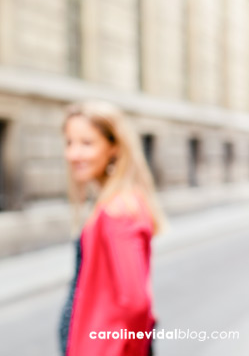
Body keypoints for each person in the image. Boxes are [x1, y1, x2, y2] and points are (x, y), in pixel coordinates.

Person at [58, 101, 167, 356]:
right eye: (69, 143)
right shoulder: (115, 203)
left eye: (87, 143)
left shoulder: (118, 211)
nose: (73, 154)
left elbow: (137, 303)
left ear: (114, 147)